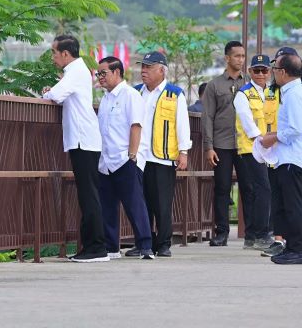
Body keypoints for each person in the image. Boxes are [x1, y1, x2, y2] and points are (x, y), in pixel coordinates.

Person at [42, 35, 108, 263]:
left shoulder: (75, 71)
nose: (53, 57)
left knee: (89, 195)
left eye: (54, 52)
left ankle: (97, 248)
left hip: (83, 141)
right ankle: (90, 246)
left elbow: (57, 95)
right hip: (84, 140)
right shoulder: (77, 71)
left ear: (65, 54)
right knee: (86, 195)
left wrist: (47, 92)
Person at [260, 53, 302, 265]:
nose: (273, 73)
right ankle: (295, 247)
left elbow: (294, 129)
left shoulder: (294, 95)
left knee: (293, 206)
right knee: (294, 205)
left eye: (275, 70)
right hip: (299, 156)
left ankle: (297, 249)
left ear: (283, 72)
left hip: (293, 158)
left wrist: (271, 138)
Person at [96, 56, 155, 260]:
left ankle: (146, 245)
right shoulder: (105, 99)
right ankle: (112, 247)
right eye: (98, 73)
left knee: (134, 204)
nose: (100, 77)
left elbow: (135, 125)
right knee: (108, 206)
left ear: (117, 72)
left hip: (125, 159)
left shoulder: (130, 95)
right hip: (106, 162)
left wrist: (132, 155)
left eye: (103, 73)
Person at [136, 51, 192, 257]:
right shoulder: (136, 92)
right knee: (141, 203)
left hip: (163, 156)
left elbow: (182, 125)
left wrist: (183, 152)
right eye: (142, 66)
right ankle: (144, 242)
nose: (143, 71)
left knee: (162, 203)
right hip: (139, 157)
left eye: (148, 67)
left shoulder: (174, 93)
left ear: (161, 70)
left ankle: (164, 243)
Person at [201, 40, 252, 247]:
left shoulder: (249, 82)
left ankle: (252, 233)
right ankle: (221, 232)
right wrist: (209, 147)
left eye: (243, 56)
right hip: (222, 144)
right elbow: (207, 117)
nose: (241, 59)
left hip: (245, 144)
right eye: (237, 56)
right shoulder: (214, 85)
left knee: (249, 188)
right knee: (221, 189)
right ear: (227, 58)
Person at [233, 54, 277, 251]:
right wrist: (261, 140)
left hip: (271, 150)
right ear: (250, 71)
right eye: (256, 70)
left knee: (263, 191)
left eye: (264, 70)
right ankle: (260, 234)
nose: (261, 74)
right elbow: (246, 120)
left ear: (270, 72)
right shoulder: (243, 94)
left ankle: (252, 235)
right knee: (262, 190)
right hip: (251, 149)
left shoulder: (274, 93)